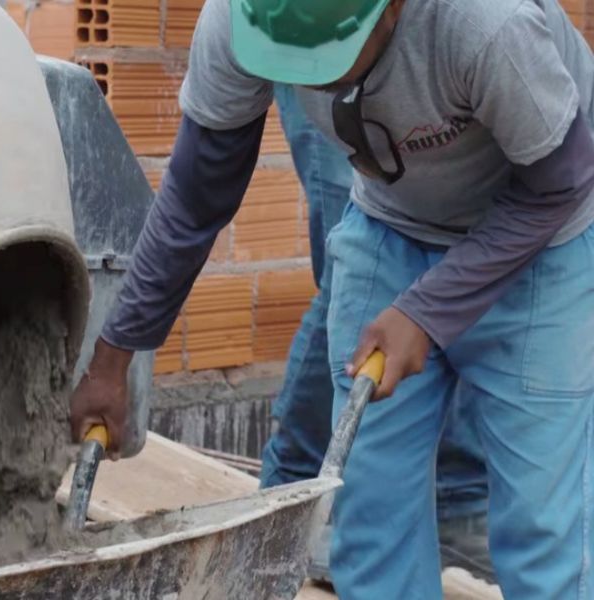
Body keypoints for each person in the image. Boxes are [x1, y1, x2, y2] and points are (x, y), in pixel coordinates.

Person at [71, 0, 594, 597]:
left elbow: (561, 184)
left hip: (544, 237)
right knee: (371, 515)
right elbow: (196, 196)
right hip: (394, 225)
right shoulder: (243, 15)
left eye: (327, 55)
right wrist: (114, 356)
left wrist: (426, 311)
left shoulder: (486, 22)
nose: (308, 78)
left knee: (542, 532)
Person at [264, 83, 491, 583]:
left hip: (433, 62)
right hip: (321, 60)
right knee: (358, 285)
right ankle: (296, 489)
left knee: (460, 253)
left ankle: (457, 498)